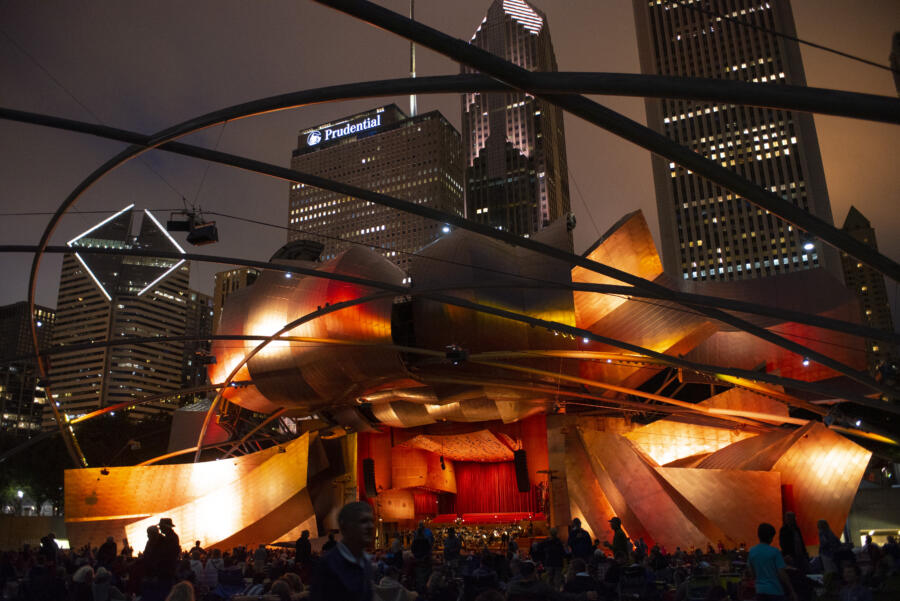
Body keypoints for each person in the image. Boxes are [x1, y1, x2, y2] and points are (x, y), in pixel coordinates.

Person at [310, 501, 376, 601]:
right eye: (363, 521)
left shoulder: (366, 563)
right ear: (346, 527)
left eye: (372, 521)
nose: (370, 526)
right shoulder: (327, 565)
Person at [748, 522, 797, 601]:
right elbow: (782, 574)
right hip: (775, 591)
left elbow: (752, 573)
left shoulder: (752, 551)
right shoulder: (775, 552)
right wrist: (792, 590)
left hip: (760, 591)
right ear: (770, 537)